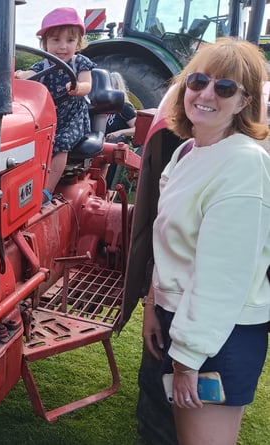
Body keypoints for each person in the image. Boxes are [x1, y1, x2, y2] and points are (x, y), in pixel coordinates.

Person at [142, 37, 270, 445]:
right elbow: (170, 248)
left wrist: (188, 357)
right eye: (198, 81)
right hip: (181, 320)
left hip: (220, 333)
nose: (207, 93)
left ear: (244, 101)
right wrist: (153, 303)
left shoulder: (244, 163)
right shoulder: (186, 153)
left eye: (225, 87)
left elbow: (224, 275)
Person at [15, 7, 94, 203]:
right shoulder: (43, 65)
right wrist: (19, 75)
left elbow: (88, 85)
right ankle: (24, 187)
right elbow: (28, 76)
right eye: (56, 40)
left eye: (70, 40)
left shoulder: (80, 63)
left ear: (78, 43)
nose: (62, 46)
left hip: (72, 118)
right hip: (49, 117)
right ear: (45, 43)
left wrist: (78, 86)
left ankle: (46, 191)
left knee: (60, 143)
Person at [105, 71, 137, 189]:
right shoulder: (104, 107)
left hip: (115, 152)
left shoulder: (124, 107)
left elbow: (137, 129)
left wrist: (120, 132)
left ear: (117, 87)